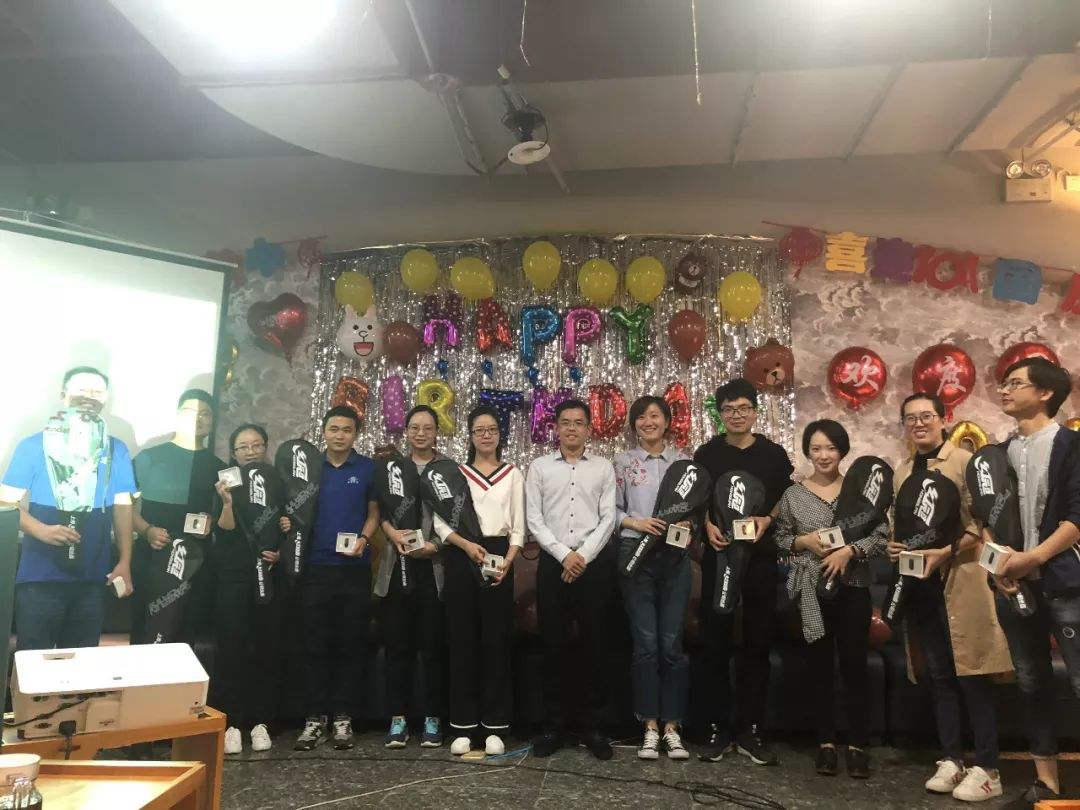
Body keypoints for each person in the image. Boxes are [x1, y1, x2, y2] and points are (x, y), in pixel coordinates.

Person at [887, 392, 1012, 803]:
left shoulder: (963, 462)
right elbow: (900, 523)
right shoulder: (902, 471)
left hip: (960, 580)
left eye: (926, 416)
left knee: (972, 674)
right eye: (910, 418)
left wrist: (944, 552)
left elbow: (981, 522)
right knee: (939, 675)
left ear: (944, 419)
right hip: (920, 586)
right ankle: (951, 758)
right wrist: (894, 546)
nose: (919, 424)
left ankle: (988, 768)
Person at [773, 419, 886, 779]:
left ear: (842, 451)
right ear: (808, 452)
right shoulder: (792, 495)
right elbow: (780, 538)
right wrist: (802, 542)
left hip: (853, 585)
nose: (823, 455)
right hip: (811, 590)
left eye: (831, 448)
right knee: (818, 667)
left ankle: (857, 745)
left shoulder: (859, 492)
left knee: (854, 666)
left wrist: (849, 551)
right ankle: (825, 743)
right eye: (816, 448)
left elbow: (881, 535)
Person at [992, 357, 1080, 810]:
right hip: (1015, 586)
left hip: (1065, 583)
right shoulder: (999, 453)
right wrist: (1000, 567)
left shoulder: (1071, 445)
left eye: (1015, 383)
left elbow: (1077, 517)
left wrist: (1035, 557)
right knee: (1030, 681)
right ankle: (1046, 782)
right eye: (1004, 383)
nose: (1004, 390)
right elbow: (988, 517)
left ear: (1045, 393)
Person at [693, 378, 793, 766]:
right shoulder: (707, 453)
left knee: (758, 642)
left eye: (743, 408)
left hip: (760, 559)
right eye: (729, 409)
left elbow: (786, 495)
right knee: (714, 642)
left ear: (754, 411)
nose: (736, 415)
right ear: (720, 414)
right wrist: (706, 526)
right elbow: (697, 499)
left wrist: (768, 520)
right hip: (719, 558)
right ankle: (717, 727)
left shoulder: (773, 454)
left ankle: (751, 729)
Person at [1, 367, 135, 650]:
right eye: (81, 389)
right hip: (40, 576)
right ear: (63, 395)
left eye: (97, 392)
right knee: (34, 659)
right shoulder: (33, 445)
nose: (89, 396)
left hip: (92, 577)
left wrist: (124, 561)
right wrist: (41, 530)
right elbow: (5, 502)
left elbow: (123, 508)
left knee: (82, 661)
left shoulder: (116, 449)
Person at [526, 398, 617, 760]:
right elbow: (534, 518)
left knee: (596, 645)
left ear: (589, 429)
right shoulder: (539, 467)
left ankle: (593, 727)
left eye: (579, 423)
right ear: (556, 428)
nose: (572, 428)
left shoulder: (603, 468)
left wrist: (583, 556)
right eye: (566, 422)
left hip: (594, 565)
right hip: (553, 563)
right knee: (553, 646)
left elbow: (608, 518)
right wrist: (565, 555)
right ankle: (553, 726)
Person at [434, 405, 525, 757]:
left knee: (496, 642)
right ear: (470, 436)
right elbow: (441, 523)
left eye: (492, 430)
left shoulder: (513, 474)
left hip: (499, 558)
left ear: (500, 436)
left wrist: (507, 563)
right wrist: (466, 545)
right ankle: (463, 725)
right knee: (462, 641)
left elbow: (518, 528)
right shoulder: (455, 474)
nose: (486, 436)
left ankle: (495, 726)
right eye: (479, 430)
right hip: (462, 555)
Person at [294, 406, 380, 751]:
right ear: (324, 431)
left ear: (356, 434)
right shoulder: (310, 469)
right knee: (314, 645)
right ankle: (314, 718)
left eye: (346, 429)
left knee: (350, 644)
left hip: (354, 570)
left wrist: (364, 539)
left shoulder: (368, 468)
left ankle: (343, 717)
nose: (340, 435)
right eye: (334, 429)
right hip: (315, 568)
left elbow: (374, 513)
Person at [613, 396, 693, 761]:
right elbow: (611, 511)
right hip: (635, 553)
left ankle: (673, 727)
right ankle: (648, 726)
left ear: (667, 421)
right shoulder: (623, 463)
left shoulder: (684, 463)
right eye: (641, 417)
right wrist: (637, 522)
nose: (649, 422)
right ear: (634, 424)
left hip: (675, 556)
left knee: (672, 644)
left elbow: (698, 509)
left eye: (655, 415)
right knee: (646, 644)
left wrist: (689, 524)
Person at [214, 423, 288, 755]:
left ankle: (262, 722)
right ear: (233, 453)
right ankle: (231, 723)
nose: (251, 451)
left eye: (257, 445)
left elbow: (290, 523)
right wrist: (227, 503)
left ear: (265, 448)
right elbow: (224, 529)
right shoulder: (226, 480)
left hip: (270, 574)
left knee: (266, 646)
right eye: (243, 447)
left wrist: (282, 547)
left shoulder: (277, 479)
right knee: (232, 647)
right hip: (234, 574)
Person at [130, 389, 226, 645]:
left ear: (212, 420)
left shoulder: (219, 467)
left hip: (195, 560)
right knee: (145, 627)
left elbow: (224, 516)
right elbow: (123, 506)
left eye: (205, 414)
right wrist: (146, 530)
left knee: (185, 631)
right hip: (151, 553)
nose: (198, 419)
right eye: (190, 412)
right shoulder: (149, 456)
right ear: (176, 415)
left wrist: (212, 522)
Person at [376, 405, 446, 749]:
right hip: (397, 565)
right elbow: (380, 511)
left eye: (427, 428)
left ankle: (433, 718)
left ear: (436, 432)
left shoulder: (447, 470)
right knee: (398, 647)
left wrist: (435, 547)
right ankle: (398, 719)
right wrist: (392, 533)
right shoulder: (392, 468)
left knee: (433, 648)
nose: (421, 433)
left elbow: (457, 517)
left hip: (433, 570)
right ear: (406, 432)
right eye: (415, 427)